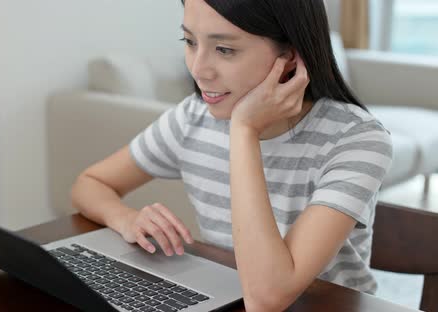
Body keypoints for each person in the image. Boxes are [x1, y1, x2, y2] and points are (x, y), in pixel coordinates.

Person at [70, 0, 393, 310]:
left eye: (225, 49)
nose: (198, 70)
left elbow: (268, 298)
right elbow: (90, 183)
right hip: (229, 294)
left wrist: (244, 131)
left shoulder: (357, 139)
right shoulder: (192, 118)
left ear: (291, 57)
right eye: (190, 41)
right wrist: (125, 218)